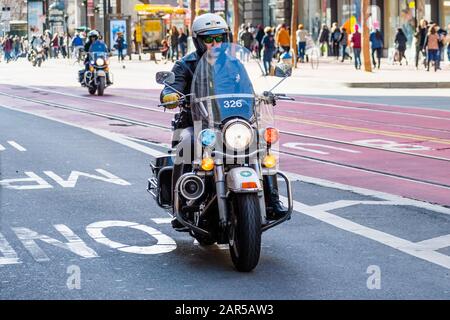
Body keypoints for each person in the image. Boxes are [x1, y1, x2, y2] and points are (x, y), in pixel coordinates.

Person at [160, 14, 288, 230]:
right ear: (198, 40)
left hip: (232, 122)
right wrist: (170, 95)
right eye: (209, 39)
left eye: (220, 37)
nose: (215, 43)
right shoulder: (185, 64)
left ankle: (272, 200)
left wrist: (264, 94)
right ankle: (180, 205)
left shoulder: (234, 63)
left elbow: (248, 87)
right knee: (187, 142)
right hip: (197, 123)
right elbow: (171, 88)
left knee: (261, 141)